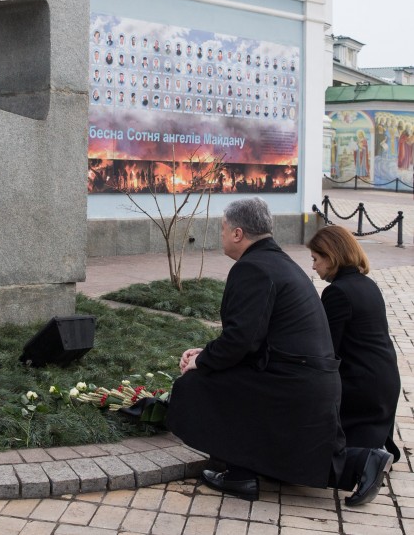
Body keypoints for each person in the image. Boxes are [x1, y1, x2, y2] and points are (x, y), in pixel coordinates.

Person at [168, 198, 392, 505]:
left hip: (293, 383)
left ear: (237, 233)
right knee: (227, 382)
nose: (221, 235)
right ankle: (241, 475)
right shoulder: (276, 261)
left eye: (223, 229)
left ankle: (359, 462)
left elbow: (242, 341)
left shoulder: (253, 268)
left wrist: (201, 361)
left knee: (195, 385)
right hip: (303, 379)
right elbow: (250, 337)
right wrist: (207, 353)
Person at [307, 226, 401, 462]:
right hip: (384, 380)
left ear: (331, 257)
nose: (314, 267)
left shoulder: (337, 292)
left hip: (361, 386)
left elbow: (327, 349)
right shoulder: (367, 284)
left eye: (316, 259)